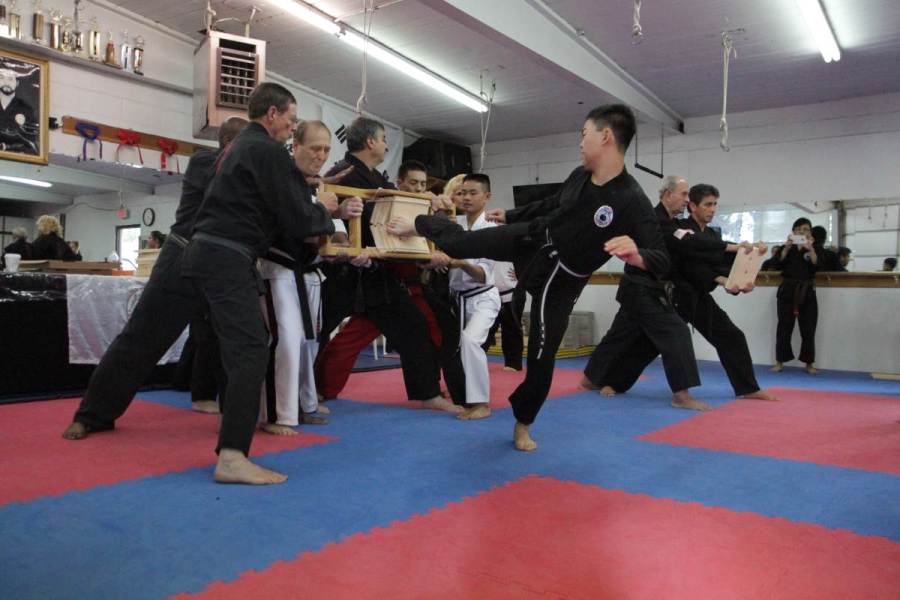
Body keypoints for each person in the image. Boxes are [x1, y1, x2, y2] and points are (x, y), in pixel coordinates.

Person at [388, 104, 670, 451]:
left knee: (541, 355)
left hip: (563, 281)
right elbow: (552, 204)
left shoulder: (632, 200)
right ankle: (417, 223)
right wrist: (510, 215)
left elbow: (662, 259)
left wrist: (637, 254)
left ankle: (523, 423)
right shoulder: (580, 176)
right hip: (534, 240)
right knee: (463, 243)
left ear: (606, 137)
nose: (580, 142)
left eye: (585, 134)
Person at [61, 116, 249, 442]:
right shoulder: (205, 163)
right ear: (230, 144)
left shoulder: (251, 176)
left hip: (222, 264)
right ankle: (92, 415)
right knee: (141, 338)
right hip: (182, 257)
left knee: (228, 342)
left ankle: (233, 418)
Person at [314, 118, 455, 413]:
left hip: (377, 273)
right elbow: (325, 218)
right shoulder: (341, 173)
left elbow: (402, 208)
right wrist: (343, 241)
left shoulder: (378, 179)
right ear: (370, 142)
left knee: (412, 325)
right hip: (343, 270)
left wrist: (428, 202)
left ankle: (427, 393)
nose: (387, 146)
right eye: (383, 139)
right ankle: (304, 393)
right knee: (314, 332)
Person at [257, 119, 363, 434]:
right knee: (286, 340)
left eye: (326, 149)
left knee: (308, 343)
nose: (321, 155)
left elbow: (329, 235)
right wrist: (328, 212)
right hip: (279, 269)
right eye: (315, 148)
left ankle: (304, 405)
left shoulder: (316, 187)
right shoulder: (281, 180)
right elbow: (293, 224)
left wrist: (342, 218)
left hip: (309, 272)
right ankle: (277, 415)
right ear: (296, 146)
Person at [581, 174, 705, 410]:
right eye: (683, 194)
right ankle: (681, 395)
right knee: (676, 331)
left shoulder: (673, 223)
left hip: (646, 290)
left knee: (621, 337)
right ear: (668, 194)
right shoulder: (652, 219)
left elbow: (689, 249)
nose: (687, 200)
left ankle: (592, 380)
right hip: (641, 289)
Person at [670, 184, 777, 401]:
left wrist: (742, 278)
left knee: (731, 336)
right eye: (707, 204)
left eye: (715, 204)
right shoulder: (681, 229)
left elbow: (721, 264)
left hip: (698, 297)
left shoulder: (712, 234)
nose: (712, 209)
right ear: (693, 206)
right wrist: (720, 279)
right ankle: (609, 379)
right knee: (646, 343)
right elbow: (689, 265)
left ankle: (748, 388)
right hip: (675, 296)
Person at [448, 174, 501, 420]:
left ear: (487, 197)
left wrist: (459, 262)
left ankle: (481, 403)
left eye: (473, 193)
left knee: (470, 341)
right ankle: (459, 394)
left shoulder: (491, 230)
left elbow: (482, 275)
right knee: (451, 347)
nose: (466, 198)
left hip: (484, 298)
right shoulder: (454, 224)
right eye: (462, 193)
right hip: (457, 299)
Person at [770, 218, 818, 374]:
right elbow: (774, 264)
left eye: (806, 229)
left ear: (810, 232)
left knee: (808, 328)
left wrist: (810, 249)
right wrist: (786, 248)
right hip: (787, 290)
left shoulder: (814, 247)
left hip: (807, 291)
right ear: (793, 231)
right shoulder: (786, 248)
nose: (802, 232)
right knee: (784, 326)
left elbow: (818, 265)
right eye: (799, 229)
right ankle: (780, 361)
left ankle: (809, 363)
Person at [0, 62, 38, 154]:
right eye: (2, 78)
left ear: (17, 83)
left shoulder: (26, 109)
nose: (6, 82)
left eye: (10, 79)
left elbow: (30, 140)